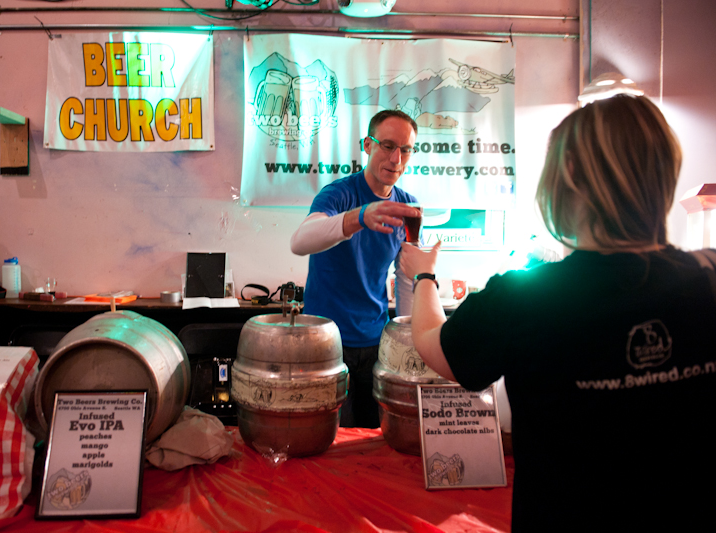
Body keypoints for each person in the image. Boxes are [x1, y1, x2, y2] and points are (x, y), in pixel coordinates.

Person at [399, 95, 715, 530]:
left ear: (567, 180)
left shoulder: (524, 298)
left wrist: (424, 276)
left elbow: (434, 346)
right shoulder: (708, 277)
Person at [291, 109, 422, 428]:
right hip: (327, 343)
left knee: (378, 435)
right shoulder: (338, 195)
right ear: (368, 145)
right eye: (387, 146)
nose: (396, 159)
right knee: (332, 436)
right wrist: (359, 217)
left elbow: (406, 278)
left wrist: (409, 341)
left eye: (405, 150)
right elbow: (300, 242)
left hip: (378, 342)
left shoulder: (407, 207)